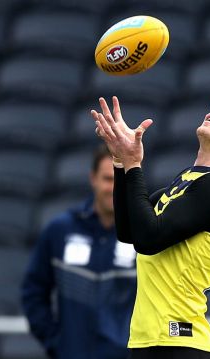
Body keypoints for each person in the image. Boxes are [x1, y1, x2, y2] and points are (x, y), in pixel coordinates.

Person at [89, 91, 210, 359]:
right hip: (152, 340)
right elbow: (129, 230)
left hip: (179, 342)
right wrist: (120, 161)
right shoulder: (190, 180)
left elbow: (148, 240)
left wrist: (133, 164)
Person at [21, 145, 137, 359]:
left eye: (119, 179)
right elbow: (33, 291)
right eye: (107, 179)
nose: (113, 187)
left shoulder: (143, 233)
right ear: (93, 178)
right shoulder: (60, 230)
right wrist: (55, 341)